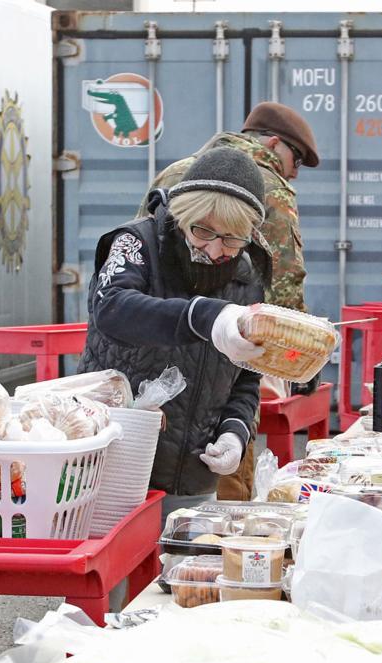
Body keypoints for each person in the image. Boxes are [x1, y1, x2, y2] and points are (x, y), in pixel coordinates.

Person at [78, 147, 273, 520]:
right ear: (184, 213)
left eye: (232, 239)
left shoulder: (247, 275)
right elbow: (112, 309)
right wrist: (205, 316)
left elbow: (246, 374)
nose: (215, 249)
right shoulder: (137, 244)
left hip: (193, 476)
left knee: (184, 573)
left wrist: (235, 432)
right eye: (203, 230)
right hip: (115, 467)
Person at [148, 102, 320, 501]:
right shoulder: (268, 187)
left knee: (146, 502)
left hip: (154, 357)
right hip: (221, 358)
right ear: (274, 143)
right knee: (221, 495)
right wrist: (301, 362)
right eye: (294, 159)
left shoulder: (177, 170)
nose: (293, 172)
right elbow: (283, 279)